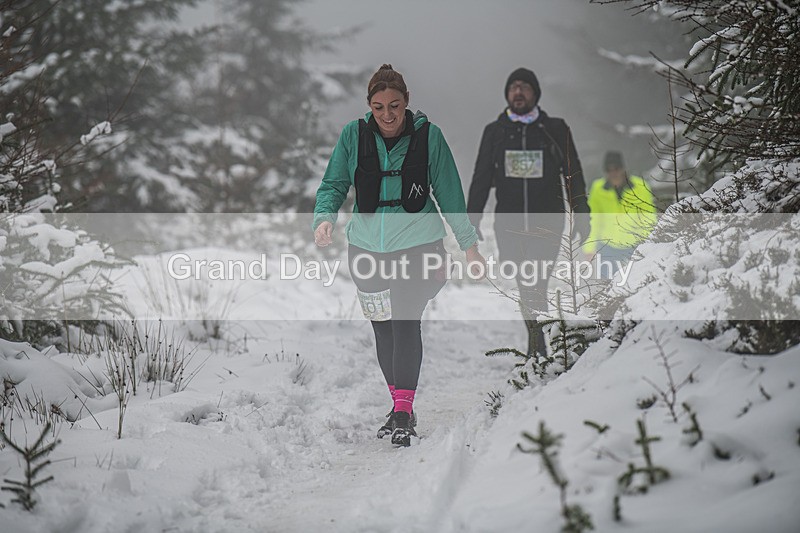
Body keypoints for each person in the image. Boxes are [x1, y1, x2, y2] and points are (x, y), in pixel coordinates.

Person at [313, 64, 486, 447]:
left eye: (394, 105)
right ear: (369, 107)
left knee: (406, 322)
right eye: (378, 107)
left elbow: (450, 194)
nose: (387, 115)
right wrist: (323, 219)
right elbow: (334, 183)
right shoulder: (353, 136)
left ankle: (404, 412)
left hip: (419, 246)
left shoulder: (429, 137)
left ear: (407, 102)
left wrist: (468, 245)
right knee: (383, 327)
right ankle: (399, 404)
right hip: (366, 249)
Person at [467, 67, 589, 358]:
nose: (518, 92)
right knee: (526, 281)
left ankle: (541, 345)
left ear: (535, 93)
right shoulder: (495, 132)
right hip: (508, 224)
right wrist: (472, 222)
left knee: (536, 277)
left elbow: (573, 174)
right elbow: (481, 177)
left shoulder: (555, 129)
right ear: (507, 94)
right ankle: (540, 341)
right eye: (513, 87)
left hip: (547, 220)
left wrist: (582, 214)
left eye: (524, 87)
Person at [584, 150, 657, 275]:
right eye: (609, 170)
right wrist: (589, 248)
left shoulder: (641, 186)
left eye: (616, 168)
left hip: (634, 246)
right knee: (607, 287)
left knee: (634, 285)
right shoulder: (597, 188)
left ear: (623, 168)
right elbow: (593, 220)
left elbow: (648, 218)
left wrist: (647, 246)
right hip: (607, 247)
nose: (613, 173)